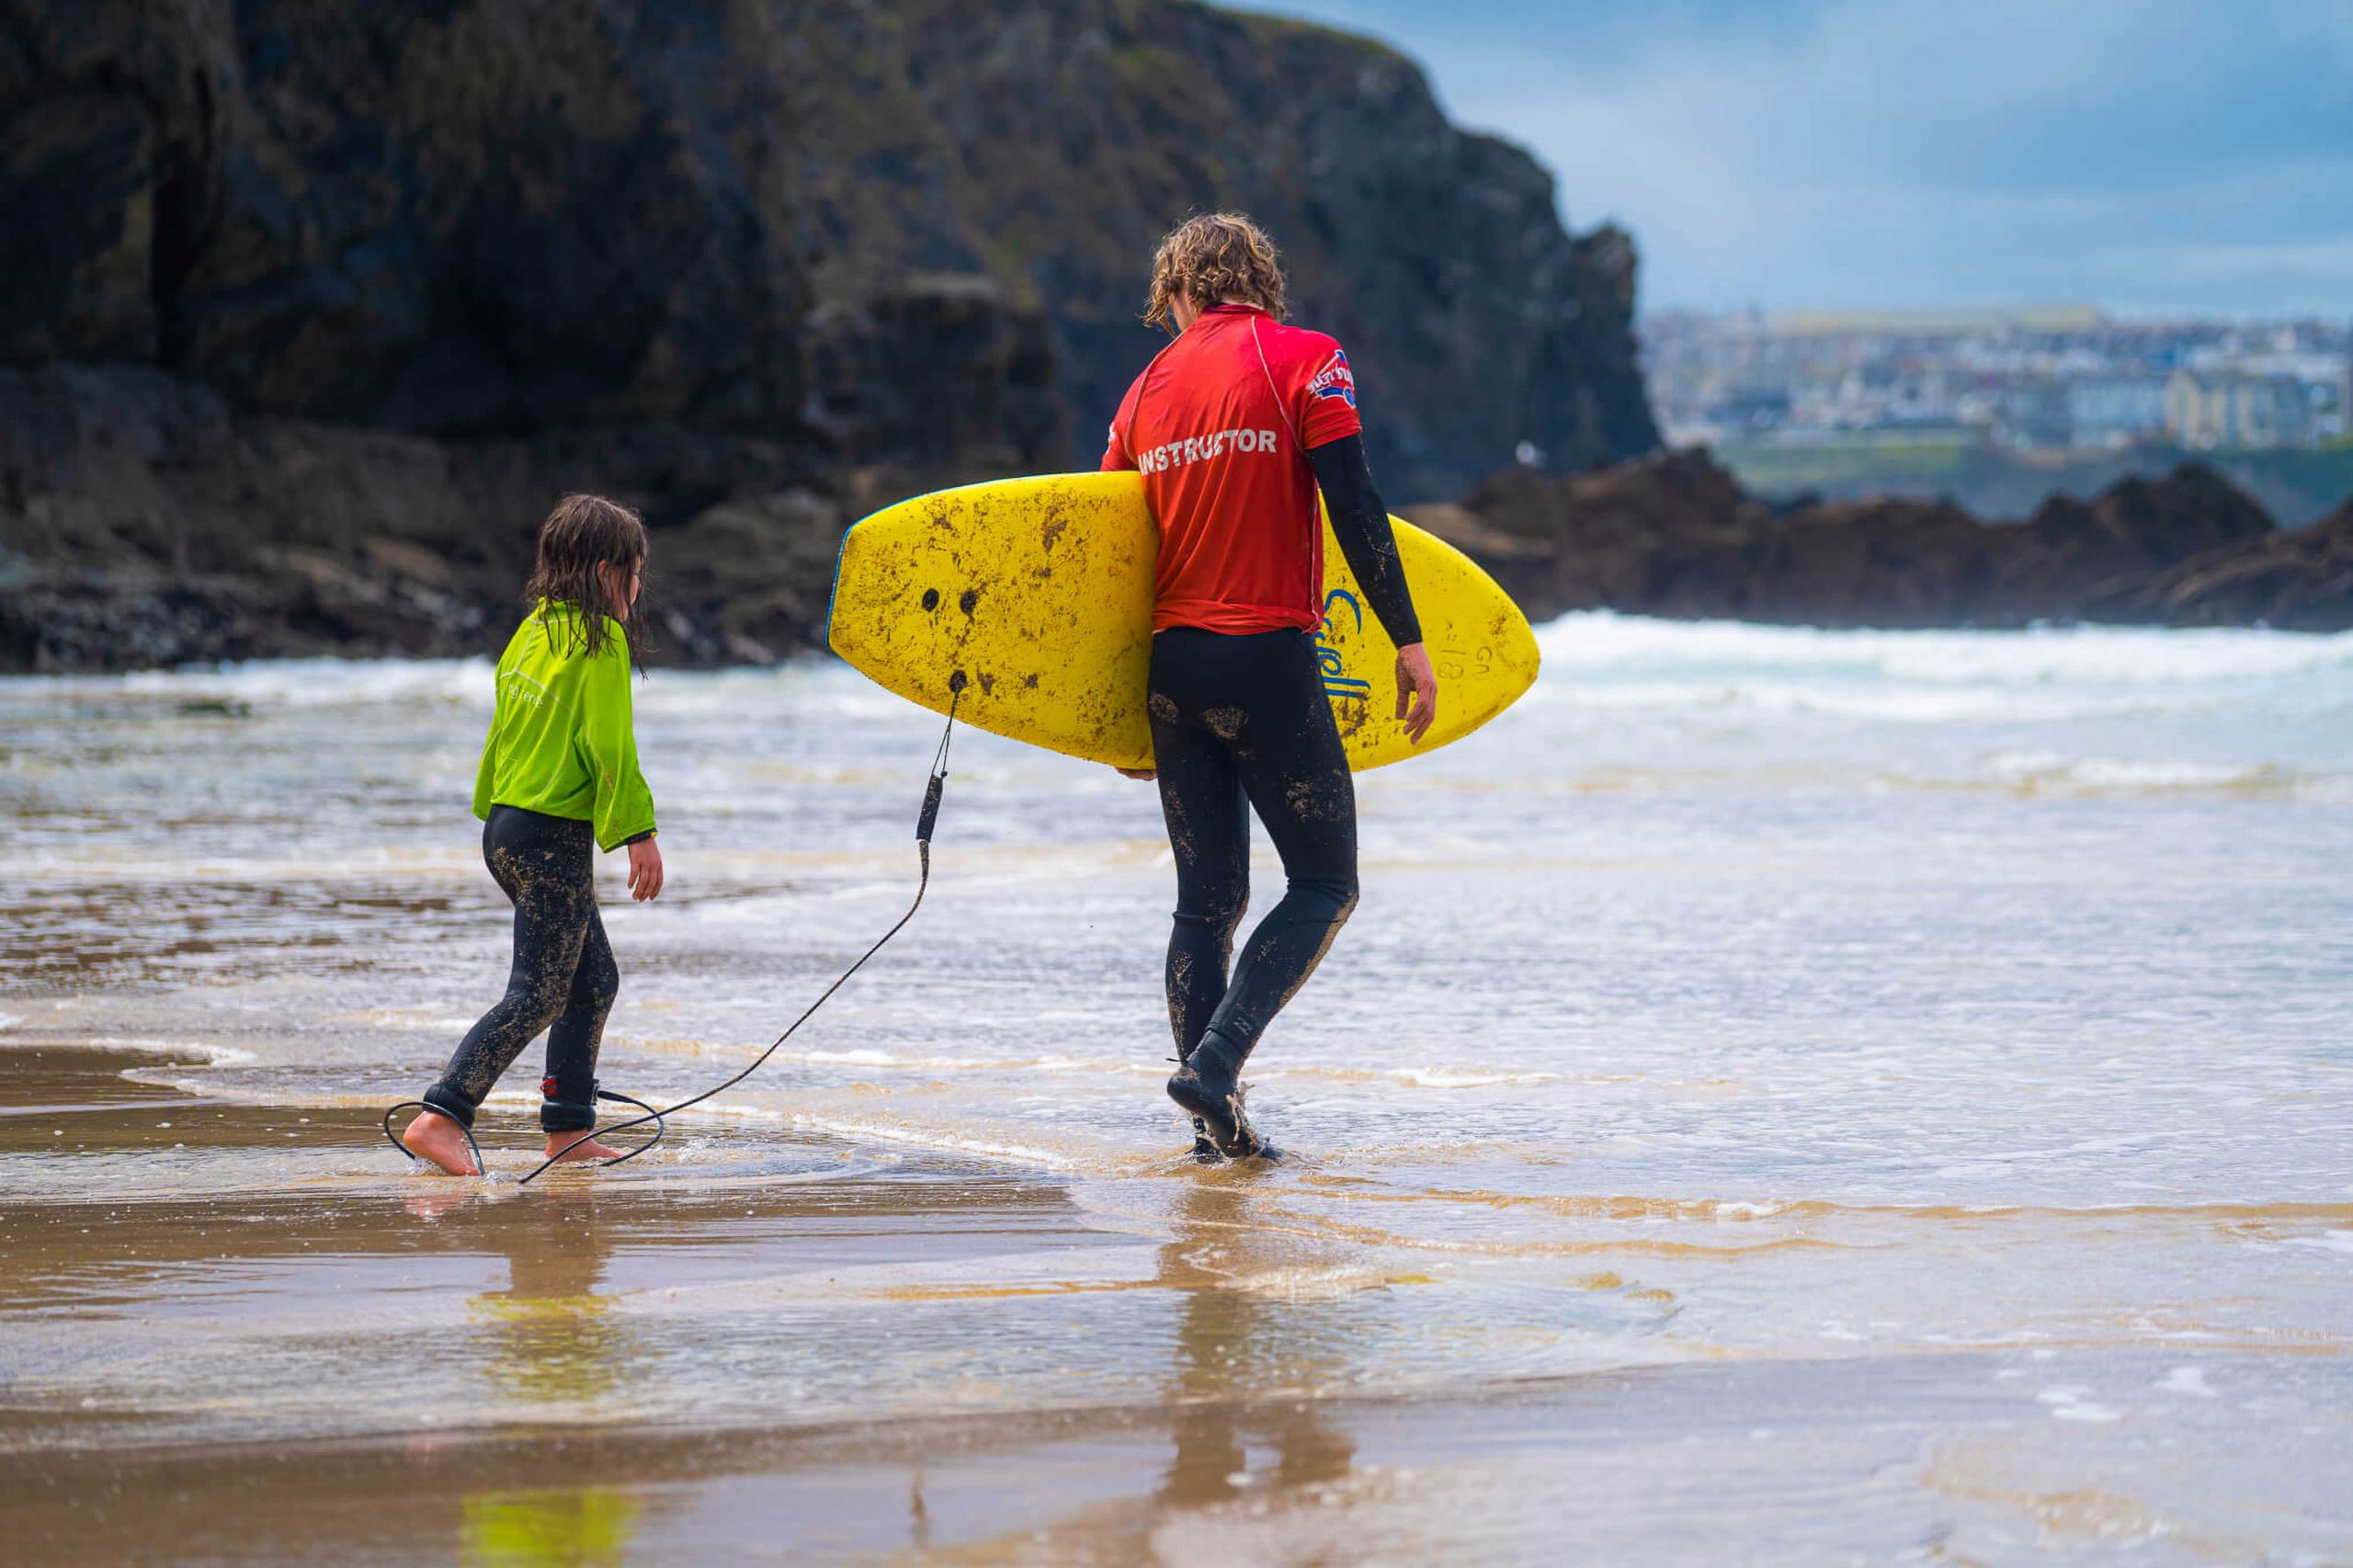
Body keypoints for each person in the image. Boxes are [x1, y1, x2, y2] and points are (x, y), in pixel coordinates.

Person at [1101, 213, 1438, 1159]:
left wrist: (1112, 718)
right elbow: (1355, 499)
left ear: (1180, 289)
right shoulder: (1307, 359)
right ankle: (1215, 1066)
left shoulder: (1140, 393)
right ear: (1255, 279)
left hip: (1172, 671)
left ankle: (1216, 1133)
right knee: (1325, 881)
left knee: (1203, 902)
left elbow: (1109, 563)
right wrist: (1405, 639)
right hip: (1266, 660)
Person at [400, 494, 666, 1176]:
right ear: (609, 572)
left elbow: (503, 731)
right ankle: (442, 1115)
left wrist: (492, 812)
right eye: (635, 572)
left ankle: (569, 1131)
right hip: (549, 836)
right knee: (540, 992)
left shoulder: (534, 633)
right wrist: (638, 832)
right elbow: (610, 747)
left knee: (592, 980)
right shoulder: (597, 644)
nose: (639, 587)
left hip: (508, 827)